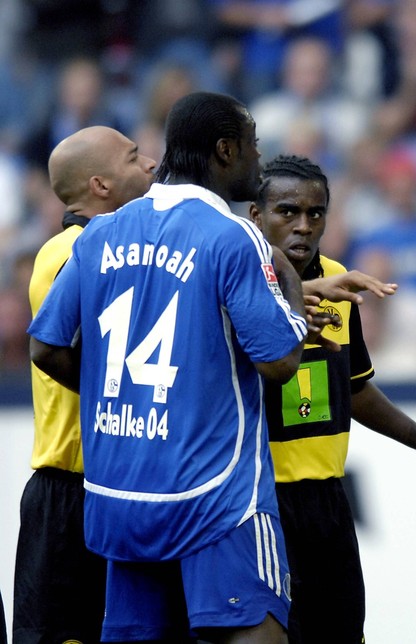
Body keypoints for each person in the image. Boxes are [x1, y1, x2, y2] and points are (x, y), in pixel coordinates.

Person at [27, 91, 313, 643]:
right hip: (218, 501)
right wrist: (293, 296)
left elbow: (45, 347)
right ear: (226, 150)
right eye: (253, 145)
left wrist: (122, 394)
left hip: (122, 500)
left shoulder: (101, 233)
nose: (259, 157)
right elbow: (279, 361)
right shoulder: (233, 235)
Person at [249, 153, 416, 644]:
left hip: (327, 503)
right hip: (259, 501)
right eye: (287, 211)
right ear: (257, 215)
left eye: (315, 213)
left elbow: (353, 387)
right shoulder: (238, 284)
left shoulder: (340, 282)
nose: (303, 226)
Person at [13, 126, 156, 644]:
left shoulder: (120, 249)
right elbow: (59, 352)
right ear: (100, 185)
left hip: (120, 486)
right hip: (72, 488)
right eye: (134, 157)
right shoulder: (68, 254)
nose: (151, 164)